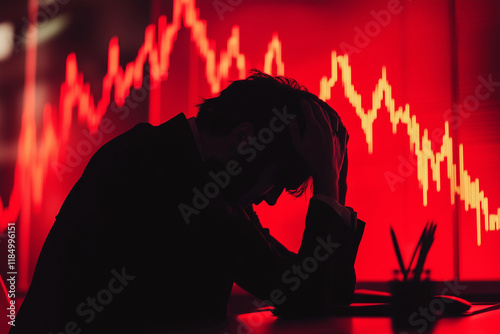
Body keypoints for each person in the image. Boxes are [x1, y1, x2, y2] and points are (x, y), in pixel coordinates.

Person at [11, 70, 365, 333]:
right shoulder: (166, 175)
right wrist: (327, 186)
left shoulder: (194, 171)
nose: (271, 199)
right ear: (244, 139)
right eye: (278, 180)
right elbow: (302, 297)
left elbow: (323, 291)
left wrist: (334, 182)